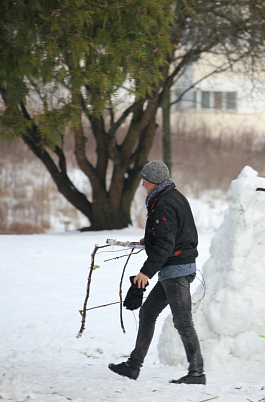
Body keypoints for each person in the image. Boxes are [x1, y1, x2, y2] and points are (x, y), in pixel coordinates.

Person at [109, 161, 205, 385]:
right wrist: (150, 238)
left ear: (153, 181)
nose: (142, 184)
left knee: (183, 322)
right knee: (148, 312)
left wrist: (145, 273)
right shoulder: (172, 196)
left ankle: (197, 373)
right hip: (175, 268)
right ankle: (133, 366)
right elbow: (171, 233)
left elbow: (166, 244)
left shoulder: (164, 204)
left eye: (144, 180)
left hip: (176, 271)